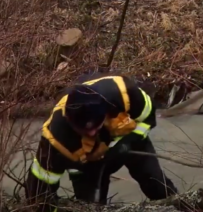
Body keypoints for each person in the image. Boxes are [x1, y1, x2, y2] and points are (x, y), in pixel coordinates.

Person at [24, 74, 178, 212]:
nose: (91, 133)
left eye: (95, 125)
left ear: (105, 111)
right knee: (91, 206)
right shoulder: (56, 138)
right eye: (83, 130)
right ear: (69, 120)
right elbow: (40, 189)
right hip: (87, 166)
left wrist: (127, 143)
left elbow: (149, 118)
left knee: (156, 183)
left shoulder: (124, 93)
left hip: (130, 142)